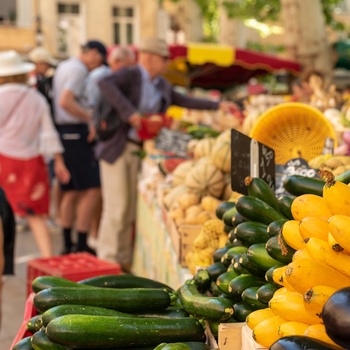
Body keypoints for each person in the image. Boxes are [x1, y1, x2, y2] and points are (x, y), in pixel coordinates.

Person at [95, 37, 238, 272]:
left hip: (141, 148)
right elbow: (105, 84)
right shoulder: (130, 75)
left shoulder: (161, 84)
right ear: (150, 58)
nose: (167, 64)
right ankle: (106, 261)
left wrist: (217, 105)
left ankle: (120, 261)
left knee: (128, 209)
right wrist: (130, 113)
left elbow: (183, 100)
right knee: (116, 208)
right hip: (117, 147)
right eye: (164, 59)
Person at [0, 50, 70, 258]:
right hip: (31, 162)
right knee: (36, 216)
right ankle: (49, 263)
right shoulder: (36, 98)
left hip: (3, 160)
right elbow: (49, 133)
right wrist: (59, 161)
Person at [53, 40, 107, 254]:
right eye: (100, 60)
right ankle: (81, 243)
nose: (97, 66)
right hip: (75, 132)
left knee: (71, 190)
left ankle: (68, 243)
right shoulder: (78, 70)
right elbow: (65, 101)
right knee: (92, 189)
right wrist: (89, 119)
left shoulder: (65, 65)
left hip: (67, 133)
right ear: (93, 53)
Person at [84, 46, 136, 249]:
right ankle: (107, 255)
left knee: (123, 209)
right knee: (116, 207)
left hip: (114, 145)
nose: (130, 71)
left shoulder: (117, 82)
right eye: (127, 66)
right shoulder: (109, 81)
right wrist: (130, 114)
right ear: (117, 63)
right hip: (112, 149)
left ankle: (118, 255)